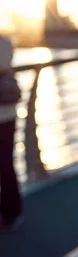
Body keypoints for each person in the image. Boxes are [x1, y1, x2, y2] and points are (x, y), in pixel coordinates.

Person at [0, 34, 24, 233]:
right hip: (8, 116)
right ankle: (12, 213)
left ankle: (10, 212)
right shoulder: (6, 43)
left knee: (6, 166)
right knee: (7, 165)